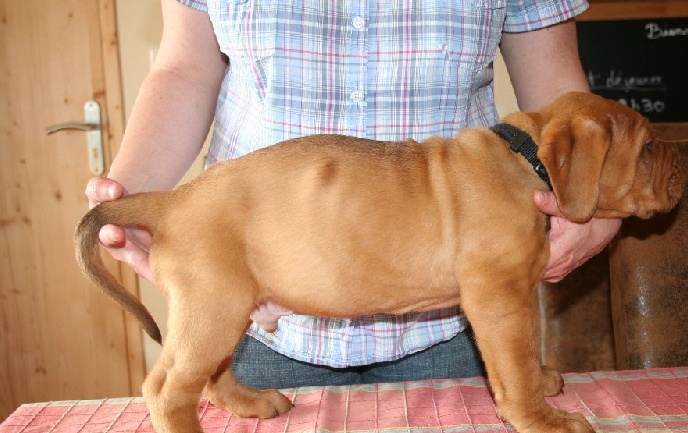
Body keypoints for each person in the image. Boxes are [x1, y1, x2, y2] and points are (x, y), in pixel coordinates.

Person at [86, 0, 620, 388]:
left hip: (452, 323)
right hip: (261, 314)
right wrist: (135, 194)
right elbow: (184, 69)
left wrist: (594, 201)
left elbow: (559, 95)